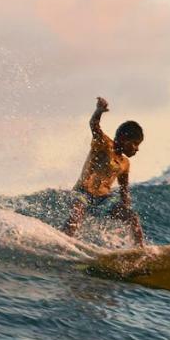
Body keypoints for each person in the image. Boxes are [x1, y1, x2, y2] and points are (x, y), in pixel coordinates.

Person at [61, 97, 146, 246]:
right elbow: (94, 124)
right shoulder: (104, 144)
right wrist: (99, 111)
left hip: (103, 200)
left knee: (132, 217)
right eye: (135, 144)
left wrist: (124, 205)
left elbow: (124, 189)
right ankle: (62, 243)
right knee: (77, 214)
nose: (137, 149)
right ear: (124, 138)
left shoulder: (125, 163)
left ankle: (140, 249)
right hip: (82, 193)